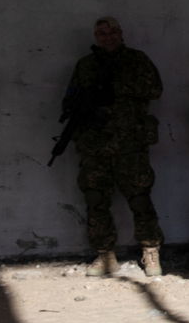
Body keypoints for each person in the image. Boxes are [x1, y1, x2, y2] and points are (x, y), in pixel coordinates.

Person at [61, 16, 164, 277]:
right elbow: (70, 99)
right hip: (96, 144)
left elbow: (155, 89)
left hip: (130, 142)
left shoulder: (136, 60)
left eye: (111, 32)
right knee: (96, 199)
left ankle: (150, 250)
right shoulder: (86, 65)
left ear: (120, 33)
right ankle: (105, 255)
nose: (107, 37)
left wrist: (116, 87)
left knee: (140, 198)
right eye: (101, 33)